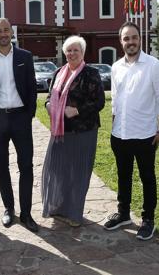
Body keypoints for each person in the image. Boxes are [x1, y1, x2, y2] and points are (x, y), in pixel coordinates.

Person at [103, 21, 159, 240]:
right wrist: (113, 126)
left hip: (145, 135)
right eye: (126, 38)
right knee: (123, 176)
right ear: (121, 41)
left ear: (140, 39)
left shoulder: (154, 65)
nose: (130, 42)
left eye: (134, 37)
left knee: (147, 177)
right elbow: (115, 100)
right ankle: (123, 214)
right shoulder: (116, 67)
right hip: (120, 134)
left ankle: (148, 219)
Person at [0, 17, 39, 232]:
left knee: (26, 166)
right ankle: (8, 209)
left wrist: (29, 113)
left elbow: (32, 87)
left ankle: (26, 213)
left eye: (6, 30)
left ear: (11, 32)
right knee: (1, 166)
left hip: (20, 118)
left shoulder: (25, 56)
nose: (3, 34)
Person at [42, 35, 105, 227]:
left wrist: (76, 110)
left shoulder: (90, 73)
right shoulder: (58, 73)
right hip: (60, 131)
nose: (71, 53)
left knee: (77, 173)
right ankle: (58, 208)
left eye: (75, 50)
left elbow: (99, 102)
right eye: (68, 50)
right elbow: (48, 97)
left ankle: (74, 214)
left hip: (83, 131)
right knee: (58, 170)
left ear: (82, 52)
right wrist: (48, 106)